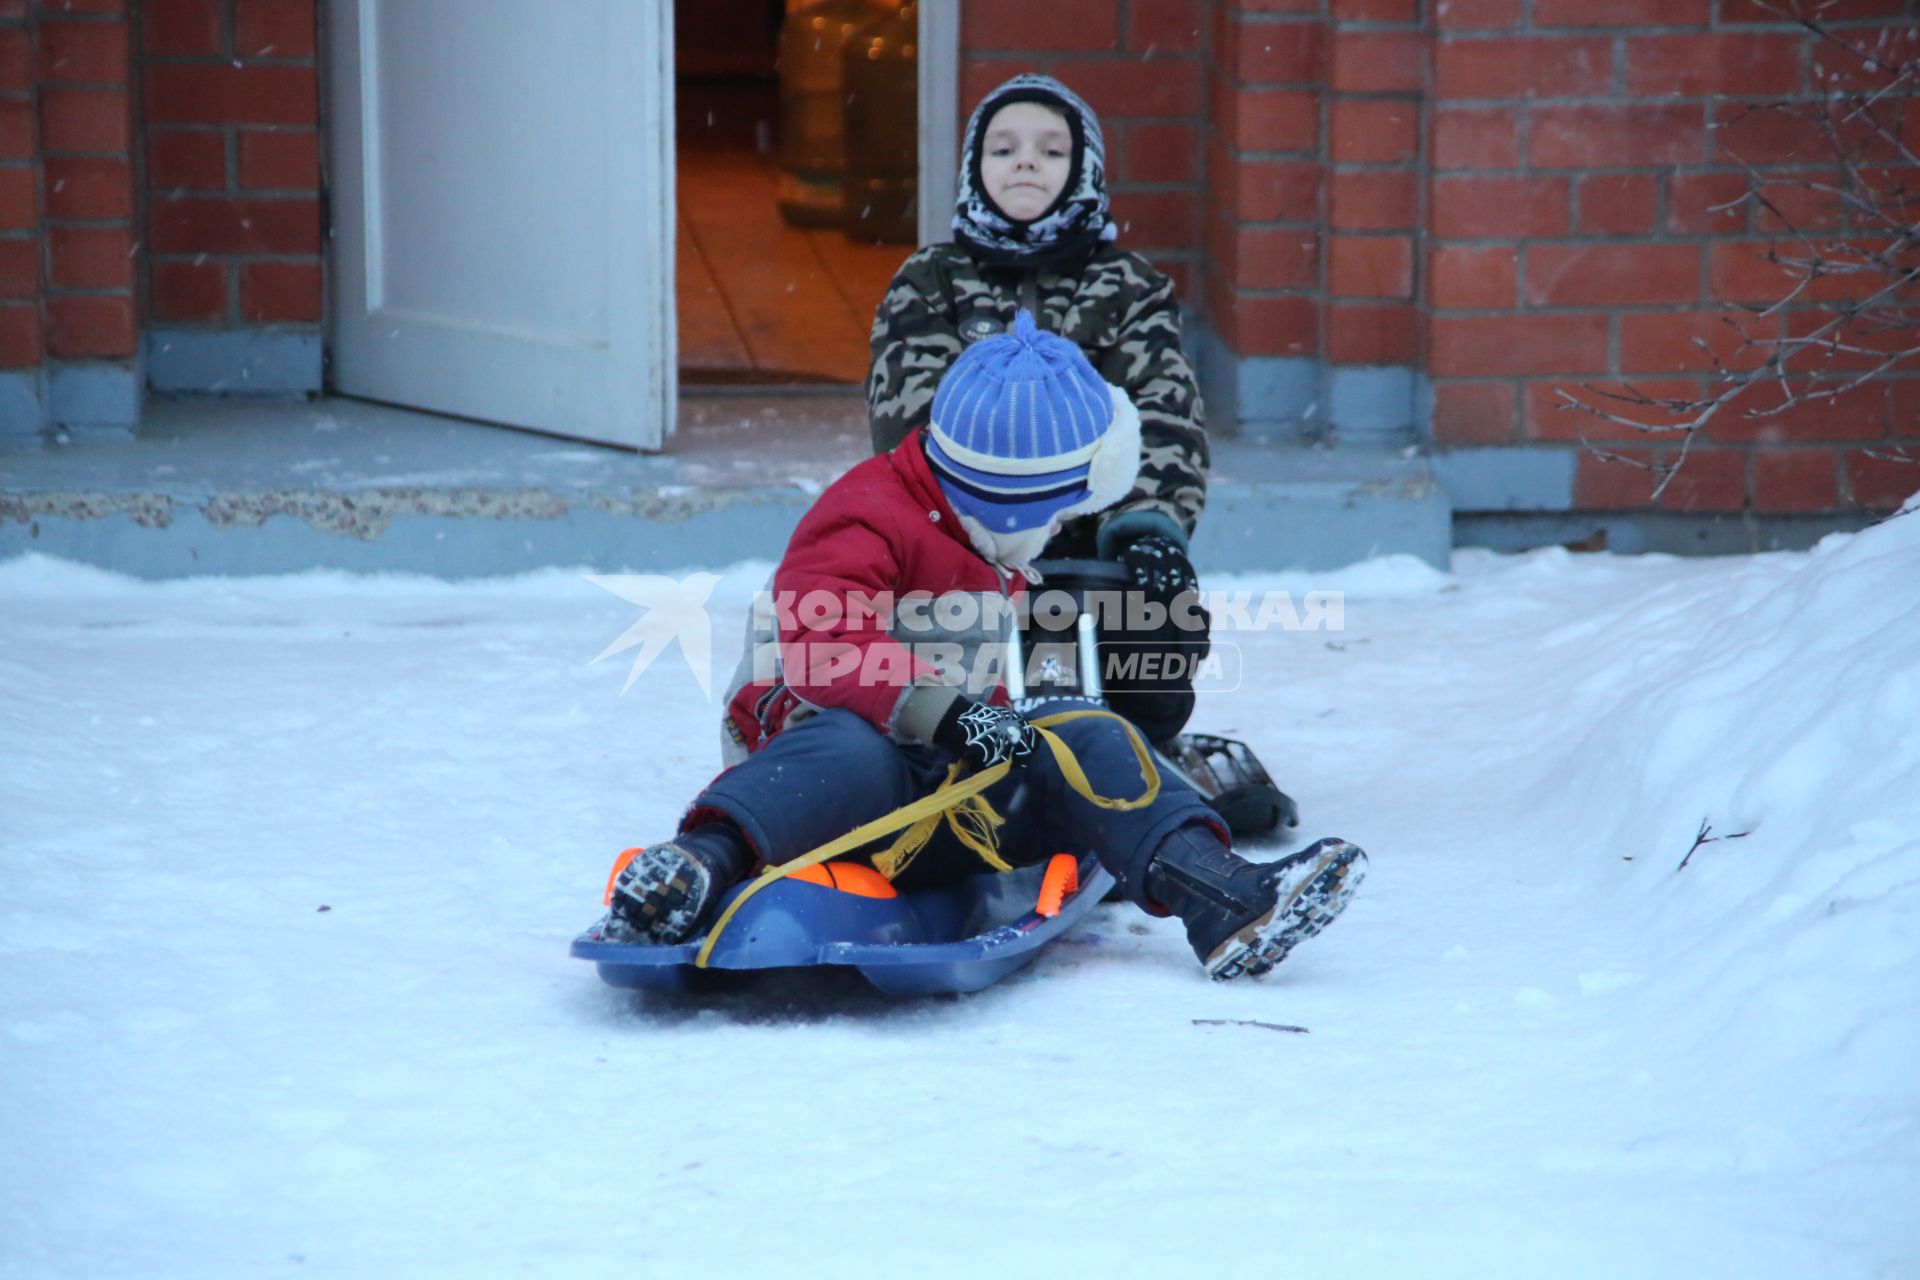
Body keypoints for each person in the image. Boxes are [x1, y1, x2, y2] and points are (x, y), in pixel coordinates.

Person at [612, 315, 1365, 981]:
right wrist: (950, 715)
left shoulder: (985, 537)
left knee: (1084, 730)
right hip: (826, 786)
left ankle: (1225, 892)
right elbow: (822, 647)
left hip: (946, 800)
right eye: (1059, 506)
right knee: (851, 747)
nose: (1060, 524)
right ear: (1014, 502)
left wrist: (999, 727)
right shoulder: (867, 512)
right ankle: (693, 873)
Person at [866, 73, 1211, 748]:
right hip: (961, 536)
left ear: (1083, 172)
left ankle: (1131, 748)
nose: (1026, 160)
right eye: (1004, 148)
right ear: (974, 168)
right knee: (956, 664)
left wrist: (1147, 526)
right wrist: (984, 519)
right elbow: (910, 418)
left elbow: (1165, 413)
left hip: (1096, 536)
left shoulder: (1130, 287)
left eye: (1052, 151)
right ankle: (956, 736)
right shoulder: (929, 282)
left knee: (1155, 651)